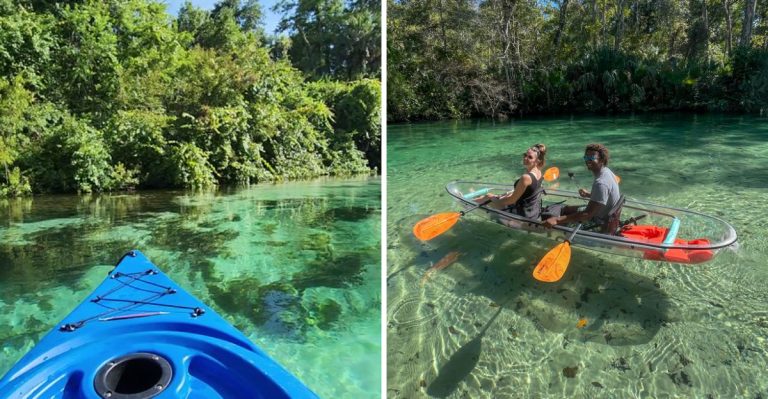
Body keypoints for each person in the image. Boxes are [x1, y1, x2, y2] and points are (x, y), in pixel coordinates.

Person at [542, 143, 621, 230]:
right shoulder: (607, 172)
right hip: (602, 214)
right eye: (586, 158)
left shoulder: (601, 183)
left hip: (598, 222)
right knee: (567, 208)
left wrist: (557, 220)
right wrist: (589, 195)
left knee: (558, 225)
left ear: (602, 159)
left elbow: (587, 215)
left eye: (591, 158)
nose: (588, 161)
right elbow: (605, 196)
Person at [481, 143, 547, 219]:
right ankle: (470, 200)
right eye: (525, 155)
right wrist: (504, 195)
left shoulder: (526, 177)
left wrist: (494, 200)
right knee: (491, 196)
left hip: (522, 214)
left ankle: (467, 202)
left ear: (537, 161)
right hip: (534, 211)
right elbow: (528, 193)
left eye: (530, 157)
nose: (525, 158)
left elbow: (511, 201)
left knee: (487, 197)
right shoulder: (539, 172)